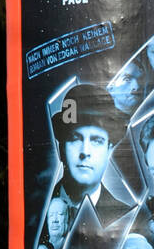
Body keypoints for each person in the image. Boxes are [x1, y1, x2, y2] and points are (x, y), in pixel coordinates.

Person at [49, 83, 131, 225]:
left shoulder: (127, 219)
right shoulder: (37, 212)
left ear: (109, 150)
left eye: (97, 141)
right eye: (75, 138)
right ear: (62, 148)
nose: (85, 152)